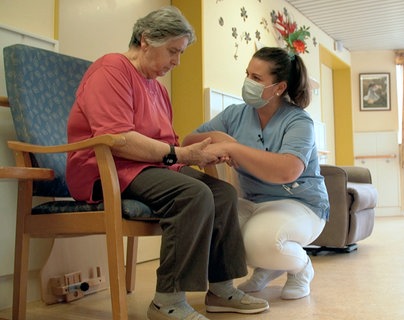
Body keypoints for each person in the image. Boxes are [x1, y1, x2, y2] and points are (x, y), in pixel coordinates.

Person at [65, 6, 268, 320]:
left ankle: (221, 288)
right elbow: (117, 138)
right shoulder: (111, 69)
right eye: (173, 51)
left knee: (222, 194)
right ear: (146, 40)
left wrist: (201, 152)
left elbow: (168, 144)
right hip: (105, 169)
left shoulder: (158, 90)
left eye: (181, 53)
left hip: (148, 169)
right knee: (192, 194)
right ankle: (167, 300)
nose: (176, 61)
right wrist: (183, 156)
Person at [184, 47, 329, 300]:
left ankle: (300, 267)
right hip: (252, 201)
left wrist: (232, 148)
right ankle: (271, 265)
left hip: (300, 204)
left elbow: (287, 170)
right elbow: (188, 143)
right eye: (248, 74)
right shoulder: (234, 114)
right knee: (215, 234)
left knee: (262, 243)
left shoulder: (298, 121)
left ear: (279, 88)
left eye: (257, 78)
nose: (248, 83)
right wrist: (218, 137)